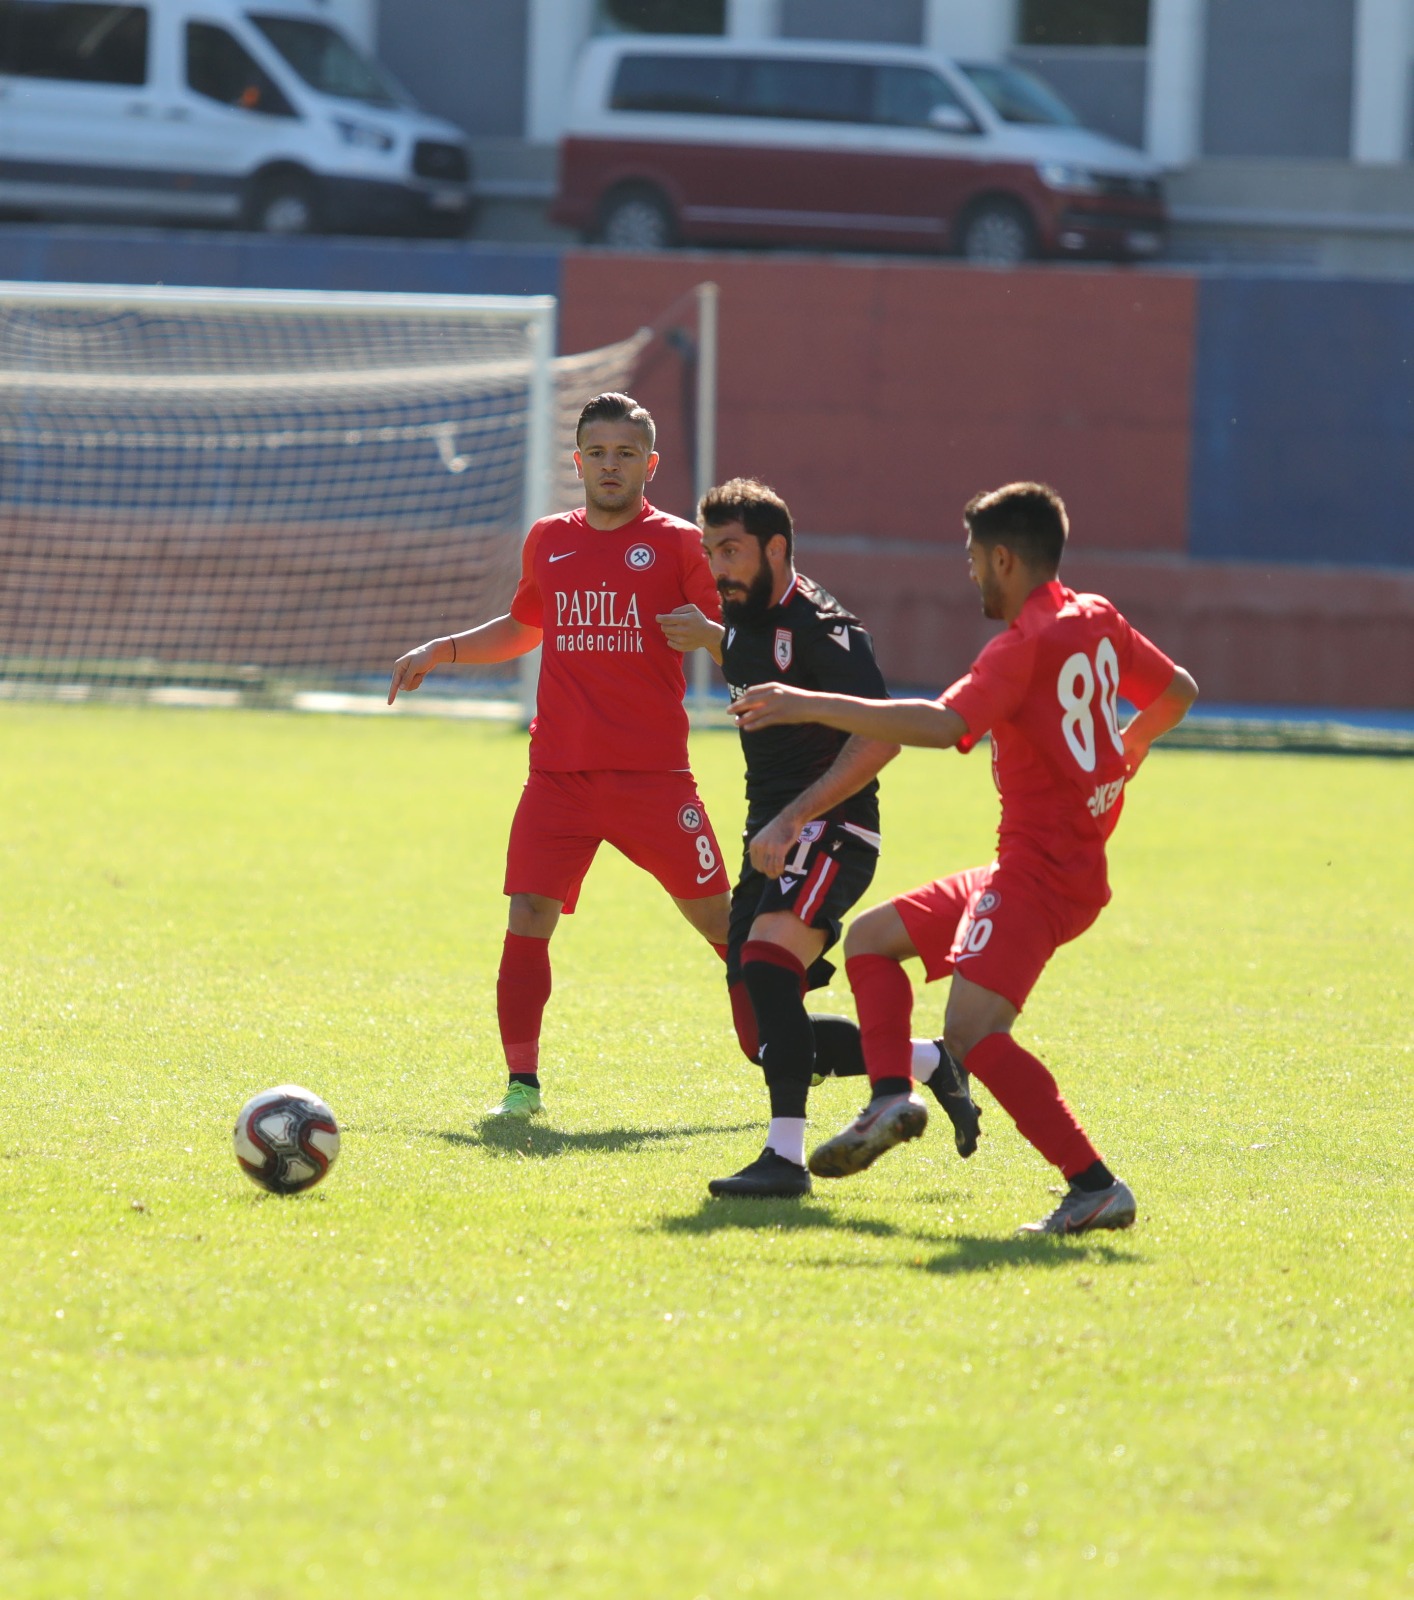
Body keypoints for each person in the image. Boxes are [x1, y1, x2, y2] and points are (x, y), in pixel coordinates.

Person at [732, 482, 1198, 1233]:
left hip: (1039, 879)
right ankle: (890, 1094)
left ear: (1005, 558)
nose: (971, 574)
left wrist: (809, 702)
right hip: (1042, 866)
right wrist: (1122, 757)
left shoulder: (1021, 647)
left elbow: (940, 720)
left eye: (975, 559)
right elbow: (1177, 690)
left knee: (974, 1037)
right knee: (873, 939)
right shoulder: (1097, 618)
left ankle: (1095, 1184)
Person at [389, 392, 731, 1118]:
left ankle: (792, 1060)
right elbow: (523, 625)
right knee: (527, 913)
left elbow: (735, 636)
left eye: (626, 454)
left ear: (651, 463)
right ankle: (521, 1086)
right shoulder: (548, 538)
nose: (611, 466)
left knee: (724, 926)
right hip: (558, 780)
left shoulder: (679, 544)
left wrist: (710, 633)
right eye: (598, 453)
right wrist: (439, 651)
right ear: (576, 460)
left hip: (654, 780)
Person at [659, 479, 979, 1199]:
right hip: (772, 835)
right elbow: (750, 656)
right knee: (763, 1037)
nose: (719, 568)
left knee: (772, 961)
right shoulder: (739, 616)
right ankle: (928, 1062)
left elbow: (880, 737)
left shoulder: (827, 628)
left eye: (732, 550)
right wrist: (709, 637)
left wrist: (794, 816)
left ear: (776, 548)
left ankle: (784, 1159)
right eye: (711, 551)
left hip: (832, 827)